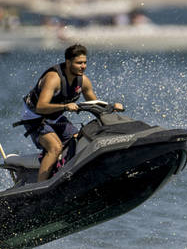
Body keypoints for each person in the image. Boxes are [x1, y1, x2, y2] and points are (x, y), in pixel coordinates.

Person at [15, 43, 124, 182]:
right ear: (68, 62)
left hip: (55, 115)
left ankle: (68, 173)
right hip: (35, 116)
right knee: (55, 147)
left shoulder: (83, 81)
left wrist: (111, 107)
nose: (83, 66)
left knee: (78, 138)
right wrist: (66, 107)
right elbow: (41, 107)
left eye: (85, 63)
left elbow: (95, 104)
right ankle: (40, 186)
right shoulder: (53, 79)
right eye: (79, 63)